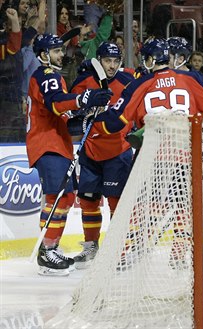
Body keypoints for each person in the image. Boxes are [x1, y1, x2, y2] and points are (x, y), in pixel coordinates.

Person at [92, 38, 203, 268]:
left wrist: (96, 120)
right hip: (185, 152)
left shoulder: (140, 84)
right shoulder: (192, 79)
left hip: (152, 155)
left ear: (151, 60)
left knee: (142, 205)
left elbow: (114, 123)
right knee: (184, 205)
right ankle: (179, 254)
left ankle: (130, 252)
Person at [27, 33, 113, 276]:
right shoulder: (46, 75)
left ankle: (51, 248)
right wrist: (83, 97)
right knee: (57, 198)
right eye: (56, 51)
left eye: (61, 50)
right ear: (44, 55)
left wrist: (87, 111)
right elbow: (56, 103)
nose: (61, 54)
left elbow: (65, 118)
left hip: (58, 143)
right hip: (47, 144)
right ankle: (46, 251)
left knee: (64, 199)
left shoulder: (57, 78)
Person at [69, 42, 135, 269]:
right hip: (90, 152)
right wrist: (84, 108)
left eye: (116, 61)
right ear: (99, 60)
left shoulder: (128, 81)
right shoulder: (84, 82)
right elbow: (70, 111)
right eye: (107, 60)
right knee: (88, 201)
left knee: (116, 202)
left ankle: (121, 249)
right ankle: (90, 247)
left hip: (118, 152)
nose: (112, 66)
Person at [0, 6, 24, 142]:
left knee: (7, 130)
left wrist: (14, 20)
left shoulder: (8, 44)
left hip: (9, 95)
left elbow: (15, 38)